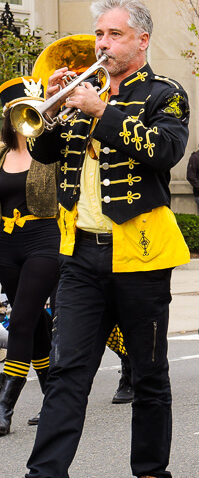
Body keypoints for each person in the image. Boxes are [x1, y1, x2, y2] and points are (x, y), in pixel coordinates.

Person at [25, 0, 191, 478]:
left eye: (114, 35)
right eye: (99, 34)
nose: (102, 44)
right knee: (66, 373)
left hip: (141, 255)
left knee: (149, 374)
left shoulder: (164, 92)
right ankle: (45, 473)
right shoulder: (83, 89)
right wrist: (50, 104)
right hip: (80, 253)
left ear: (142, 40)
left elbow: (163, 152)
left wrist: (102, 110)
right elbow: (45, 148)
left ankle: (150, 471)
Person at [0, 77, 60, 436]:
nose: (26, 112)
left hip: (44, 239)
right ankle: (53, 394)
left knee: (20, 320)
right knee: (34, 320)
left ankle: (5, 407)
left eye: (31, 105)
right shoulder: (2, 152)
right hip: (7, 243)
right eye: (19, 108)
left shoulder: (49, 149)